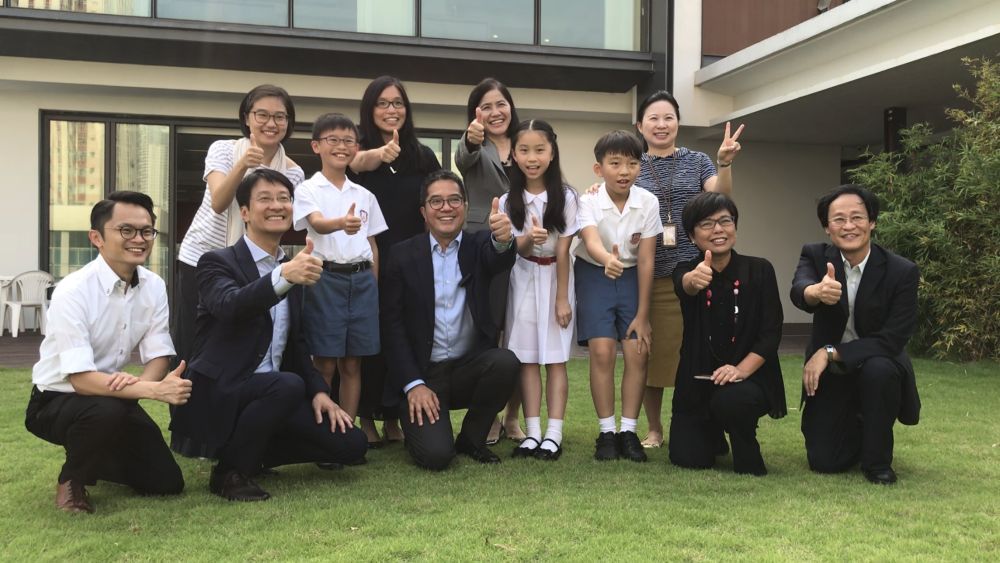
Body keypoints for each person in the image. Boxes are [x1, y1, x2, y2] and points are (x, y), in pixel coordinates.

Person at [170, 169, 367, 502]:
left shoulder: (295, 265)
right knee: (287, 384)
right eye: (265, 199)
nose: (277, 206)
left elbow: (296, 342)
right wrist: (282, 277)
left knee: (350, 445)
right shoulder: (216, 262)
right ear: (244, 212)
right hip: (224, 390)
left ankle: (253, 451)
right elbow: (230, 305)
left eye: (284, 199)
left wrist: (320, 391)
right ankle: (229, 473)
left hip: (272, 396)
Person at [26, 191, 191, 514]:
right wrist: (153, 390)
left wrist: (138, 388)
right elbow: (81, 381)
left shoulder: (154, 285)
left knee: (166, 483)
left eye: (146, 231)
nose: (139, 239)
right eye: (126, 230)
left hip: (115, 397)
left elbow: (158, 353)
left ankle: (93, 449)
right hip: (57, 401)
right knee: (105, 410)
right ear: (96, 238)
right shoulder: (72, 291)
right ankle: (73, 480)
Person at [381, 169, 520, 470]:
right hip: (422, 375)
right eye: (437, 201)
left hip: (466, 369)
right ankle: (422, 430)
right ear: (424, 211)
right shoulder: (402, 255)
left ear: (466, 206)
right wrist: (413, 384)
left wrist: (504, 238)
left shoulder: (479, 245)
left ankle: (472, 438)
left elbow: (499, 257)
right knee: (436, 457)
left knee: (505, 362)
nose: (446, 208)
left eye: (454, 199)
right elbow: (391, 327)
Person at [632, 90, 744, 448]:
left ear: (678, 122)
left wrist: (724, 164)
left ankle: (706, 421)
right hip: (654, 273)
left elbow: (720, 198)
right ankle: (654, 428)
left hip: (697, 271)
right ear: (640, 125)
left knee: (701, 348)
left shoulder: (697, 161)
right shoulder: (632, 164)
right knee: (652, 353)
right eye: (653, 118)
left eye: (668, 117)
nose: (661, 124)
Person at [791, 184, 920, 485]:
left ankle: (877, 463)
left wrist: (829, 352)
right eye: (838, 219)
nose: (848, 226)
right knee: (824, 462)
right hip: (834, 372)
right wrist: (816, 292)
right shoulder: (814, 254)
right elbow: (800, 289)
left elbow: (893, 339)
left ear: (872, 221)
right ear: (826, 227)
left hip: (878, 362)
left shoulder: (902, 271)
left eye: (857, 217)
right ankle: (858, 423)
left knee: (878, 369)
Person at [173, 84, 303, 371]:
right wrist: (242, 165)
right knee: (193, 344)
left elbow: (289, 217)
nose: (271, 123)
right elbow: (219, 202)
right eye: (262, 115)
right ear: (247, 118)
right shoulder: (224, 150)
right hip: (202, 258)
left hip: (252, 264)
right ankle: (185, 411)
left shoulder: (293, 172)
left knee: (240, 339)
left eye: (280, 117)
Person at [349, 76, 442, 447]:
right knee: (370, 339)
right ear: (370, 110)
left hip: (414, 259)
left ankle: (394, 416)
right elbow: (347, 165)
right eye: (383, 104)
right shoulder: (357, 152)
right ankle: (367, 417)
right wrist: (376, 156)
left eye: (398, 103)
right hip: (368, 259)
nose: (392, 110)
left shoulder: (422, 155)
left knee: (405, 335)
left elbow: (437, 202)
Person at [670, 192, 786, 475]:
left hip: (748, 378)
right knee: (689, 459)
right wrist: (694, 280)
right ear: (691, 236)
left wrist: (740, 370)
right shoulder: (687, 269)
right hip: (697, 380)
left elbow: (771, 333)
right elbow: (685, 284)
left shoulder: (759, 269)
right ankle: (711, 434)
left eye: (725, 221)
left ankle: (744, 443)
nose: (719, 229)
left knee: (733, 400)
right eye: (707, 224)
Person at [293, 113, 387, 421]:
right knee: (325, 363)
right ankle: (323, 430)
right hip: (325, 279)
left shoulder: (365, 195)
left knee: (352, 363)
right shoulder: (308, 189)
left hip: (361, 282)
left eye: (348, 141)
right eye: (332, 140)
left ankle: (348, 431)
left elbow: (372, 245)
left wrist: (373, 284)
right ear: (316, 146)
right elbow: (316, 223)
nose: (341, 147)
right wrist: (342, 224)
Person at [576, 130, 662, 462]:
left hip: (632, 278)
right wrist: (606, 259)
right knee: (601, 352)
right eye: (614, 163)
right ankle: (606, 432)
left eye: (632, 163)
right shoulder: (588, 200)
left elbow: (647, 259)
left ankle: (628, 431)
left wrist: (643, 313)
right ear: (599, 169)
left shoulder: (648, 202)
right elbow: (591, 238)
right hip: (594, 273)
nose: (624, 171)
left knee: (638, 351)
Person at [500, 120, 578, 460]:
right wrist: (527, 240)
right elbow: (509, 248)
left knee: (555, 359)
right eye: (524, 150)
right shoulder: (507, 200)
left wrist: (561, 298)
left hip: (556, 279)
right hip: (522, 278)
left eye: (540, 150)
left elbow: (563, 250)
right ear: (513, 155)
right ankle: (532, 433)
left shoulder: (567, 197)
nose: (532, 158)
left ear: (552, 152)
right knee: (527, 359)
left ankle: (554, 433)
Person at [455, 77, 525, 443]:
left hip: (530, 247)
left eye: (501, 104)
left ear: (511, 106)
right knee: (492, 328)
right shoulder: (474, 147)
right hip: (486, 248)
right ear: (475, 114)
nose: (495, 112)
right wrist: (471, 138)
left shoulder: (527, 140)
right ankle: (491, 415)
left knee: (520, 331)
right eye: (486, 106)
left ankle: (514, 416)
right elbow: (461, 156)